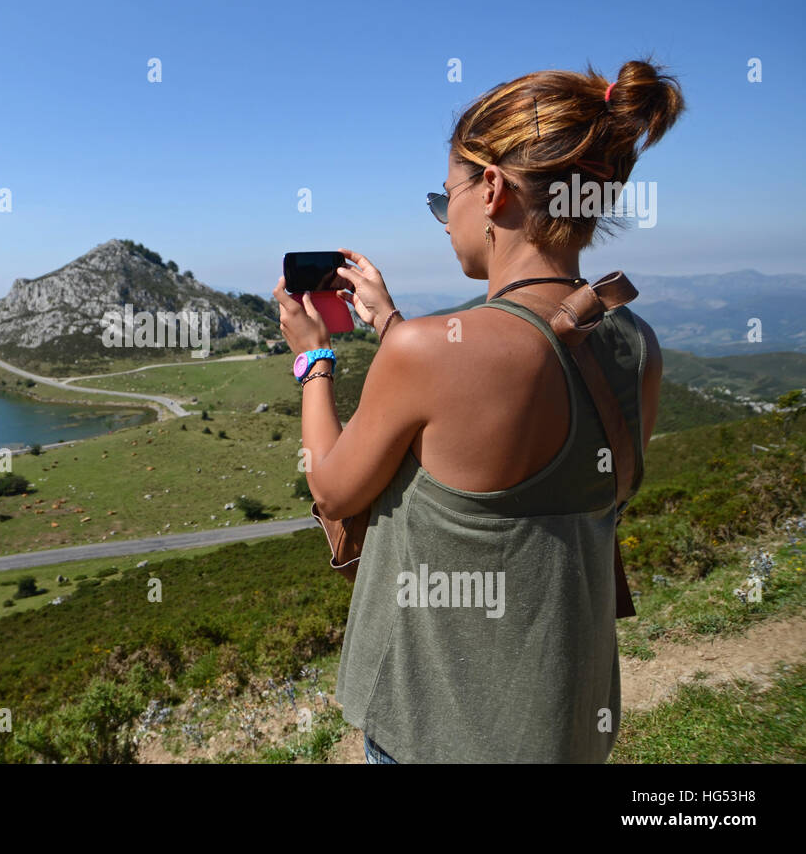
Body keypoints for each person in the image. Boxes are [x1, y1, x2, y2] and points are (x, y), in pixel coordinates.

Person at [273, 59, 685, 763]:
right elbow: (502, 411)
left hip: (439, 731)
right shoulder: (638, 347)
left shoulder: (427, 353)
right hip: (567, 726)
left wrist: (315, 359)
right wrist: (393, 324)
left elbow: (333, 488)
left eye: (445, 198)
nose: (443, 220)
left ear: (491, 189)